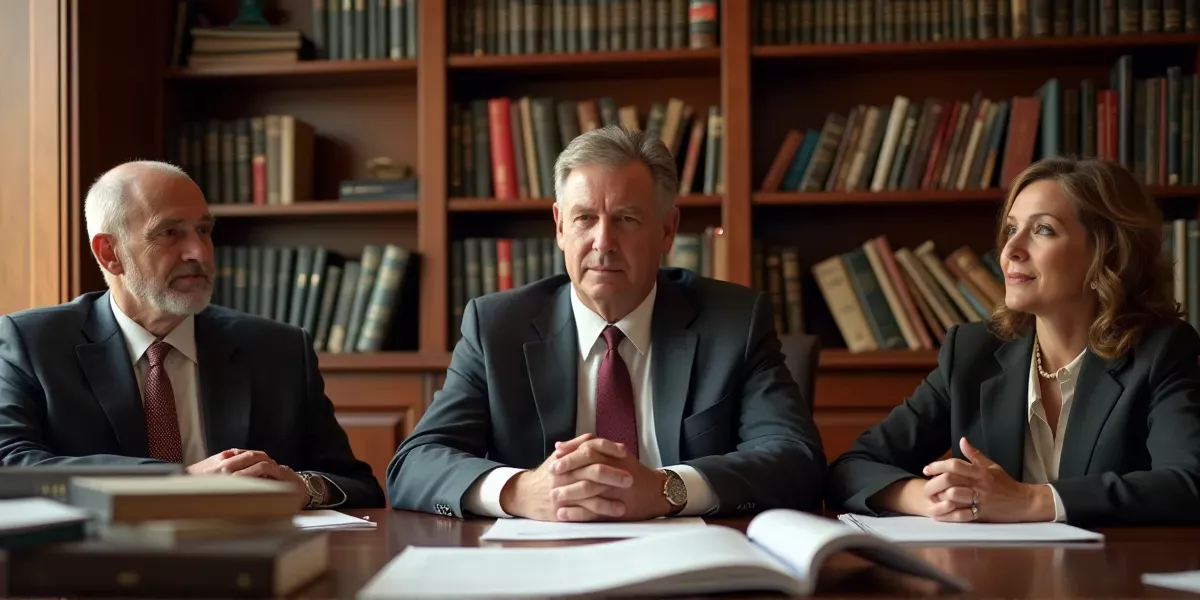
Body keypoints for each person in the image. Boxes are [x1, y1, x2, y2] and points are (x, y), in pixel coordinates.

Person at [387, 126, 826, 521]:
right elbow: (415, 463)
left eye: (626, 219)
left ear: (668, 230)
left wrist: (666, 489)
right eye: (585, 219)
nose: (603, 243)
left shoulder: (733, 321)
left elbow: (797, 460)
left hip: (686, 564)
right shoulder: (497, 326)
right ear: (560, 227)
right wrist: (521, 491)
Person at [827, 157, 1200, 527]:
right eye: (1011, 229)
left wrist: (1029, 500)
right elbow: (850, 469)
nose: (1010, 251)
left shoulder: (1160, 352)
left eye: (1043, 230)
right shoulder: (973, 353)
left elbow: (1188, 484)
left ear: (1108, 253)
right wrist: (931, 498)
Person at [0, 161, 385, 509]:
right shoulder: (33, 343)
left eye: (204, 230)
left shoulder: (278, 349)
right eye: (170, 233)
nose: (198, 252)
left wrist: (303, 487)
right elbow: (11, 466)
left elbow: (360, 486)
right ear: (109, 253)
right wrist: (178, 481)